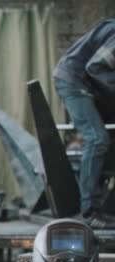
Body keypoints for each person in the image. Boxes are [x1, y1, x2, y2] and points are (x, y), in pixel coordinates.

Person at [54, 19, 115, 229]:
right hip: (73, 80)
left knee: (107, 141)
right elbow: (95, 68)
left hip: (92, 84)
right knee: (97, 139)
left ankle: (102, 203)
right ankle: (89, 212)